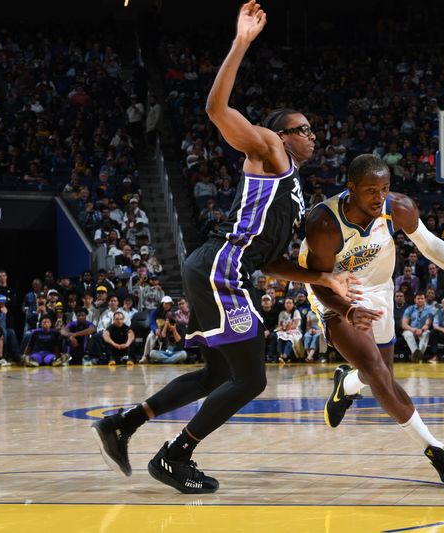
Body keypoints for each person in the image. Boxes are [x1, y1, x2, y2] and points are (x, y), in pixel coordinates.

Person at [91, 2, 358, 495]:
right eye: (303, 128)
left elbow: (273, 261)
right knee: (250, 379)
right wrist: (241, 42)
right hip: (220, 266)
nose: (312, 135)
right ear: (280, 134)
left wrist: (323, 278)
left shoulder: (293, 186)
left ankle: (123, 425)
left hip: (227, 268)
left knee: (220, 371)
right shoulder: (269, 151)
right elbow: (216, 109)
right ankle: (174, 456)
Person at [300, 154, 444, 487]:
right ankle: (436, 451)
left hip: (379, 291)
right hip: (335, 293)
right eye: (370, 190)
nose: (380, 197)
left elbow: (429, 244)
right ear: (351, 189)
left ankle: (346, 385)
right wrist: (348, 309)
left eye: (384, 188)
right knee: (378, 373)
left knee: (382, 375)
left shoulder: (398, 207)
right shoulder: (325, 223)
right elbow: (318, 282)